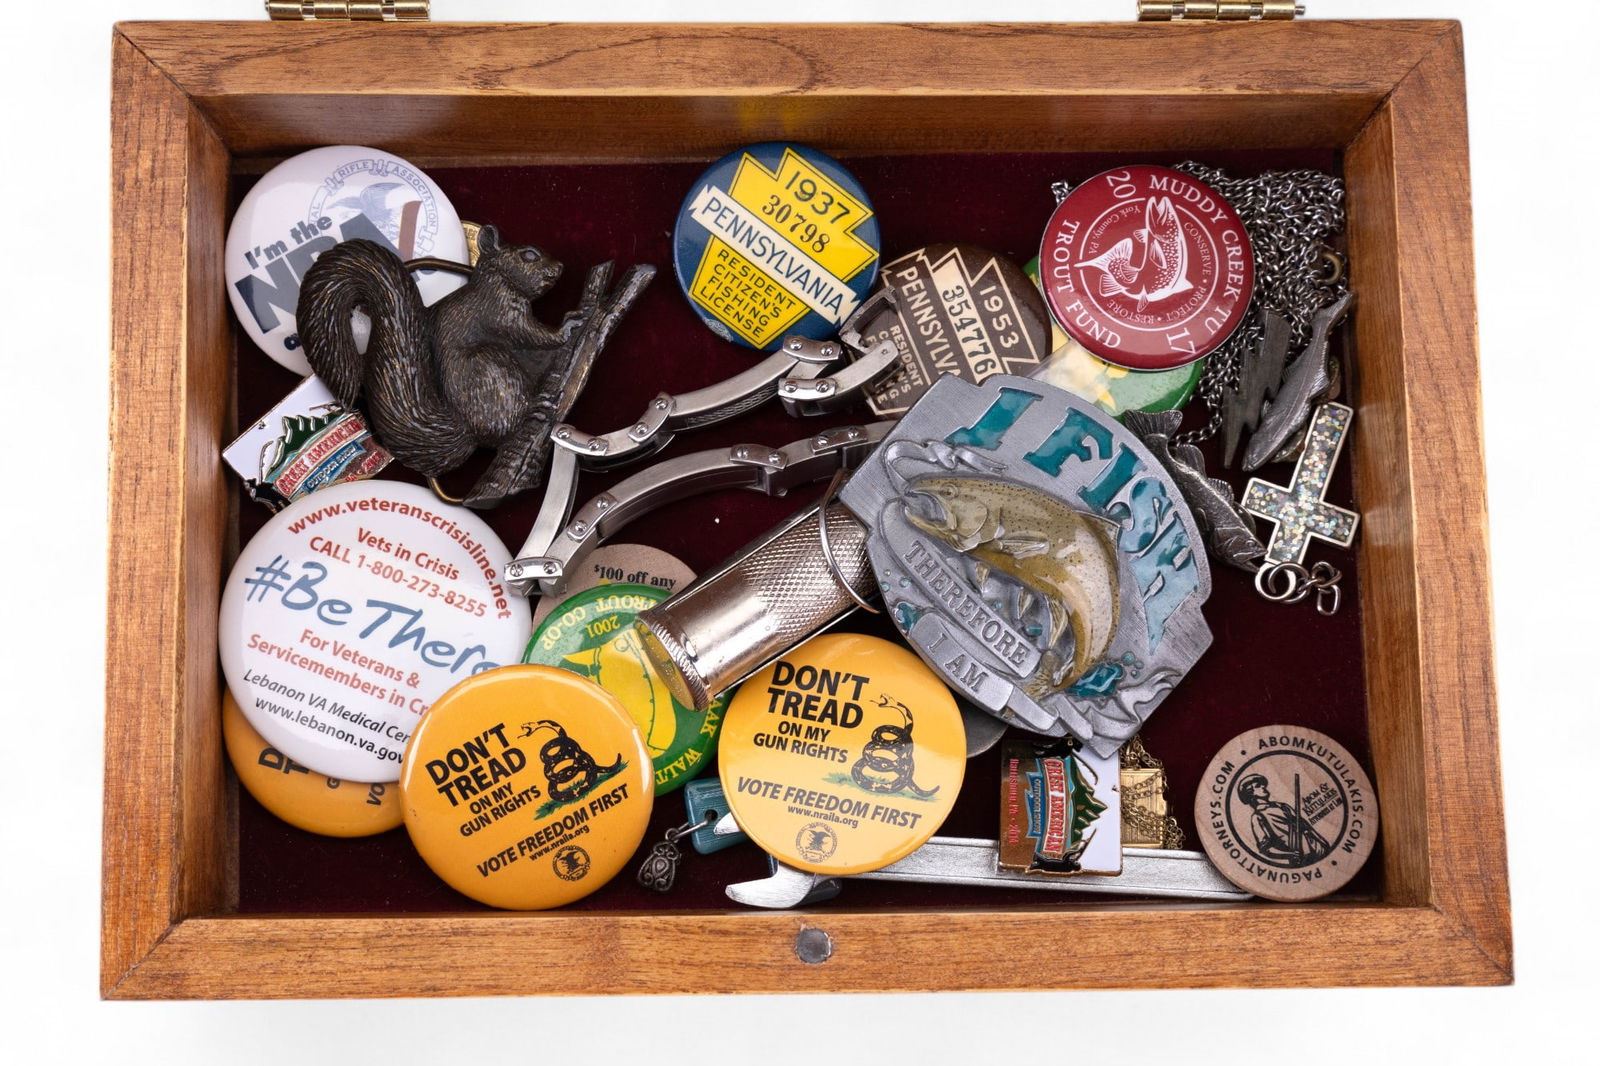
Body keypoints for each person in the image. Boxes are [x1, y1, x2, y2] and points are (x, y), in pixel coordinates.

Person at [1237, 773, 1330, 866]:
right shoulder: (1258, 817)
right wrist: (1290, 855)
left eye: (1262, 784)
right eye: (1258, 786)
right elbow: (1266, 849)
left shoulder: (1284, 806)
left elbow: (1306, 826)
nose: (1263, 787)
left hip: (1318, 848)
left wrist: (1322, 842)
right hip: (1303, 859)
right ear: (1250, 793)